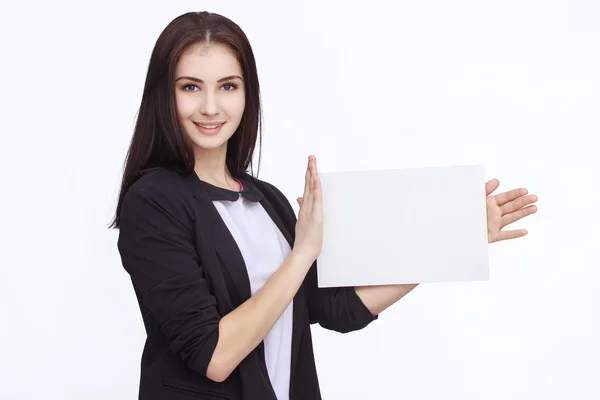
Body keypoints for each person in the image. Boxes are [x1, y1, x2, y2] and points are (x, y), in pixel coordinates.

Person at [111, 11, 539, 400]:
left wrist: (453, 242)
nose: (210, 107)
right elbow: (214, 356)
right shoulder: (151, 204)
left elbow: (333, 307)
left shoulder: (266, 200)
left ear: (247, 95)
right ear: (164, 95)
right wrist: (302, 254)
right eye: (190, 87)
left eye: (228, 86)